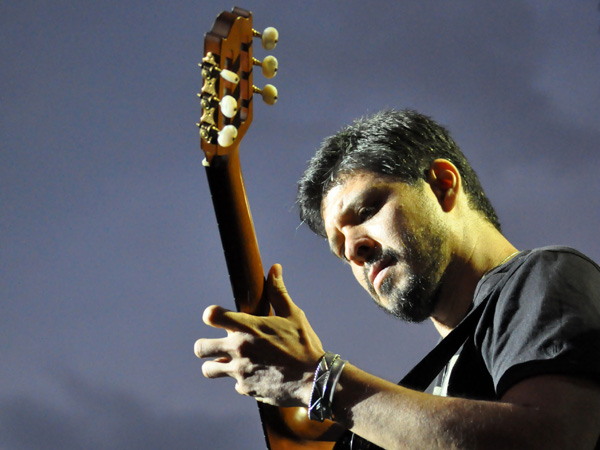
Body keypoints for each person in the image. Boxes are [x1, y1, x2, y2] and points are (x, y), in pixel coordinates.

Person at [195, 109, 600, 449]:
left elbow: (554, 439)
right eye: (340, 248)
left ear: (442, 185)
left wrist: (315, 379)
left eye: (367, 210)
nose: (353, 250)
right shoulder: (415, 406)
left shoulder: (547, 274)